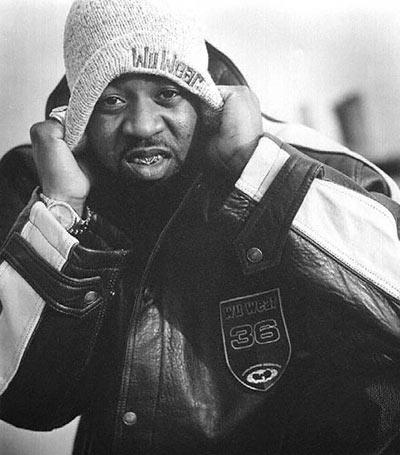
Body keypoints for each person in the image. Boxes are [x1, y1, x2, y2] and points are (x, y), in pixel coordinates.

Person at [1, 0, 400, 454]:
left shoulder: (312, 167)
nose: (142, 125)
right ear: (81, 112)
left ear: (202, 96)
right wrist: (62, 213)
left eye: (167, 93)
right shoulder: (39, 185)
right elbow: (27, 401)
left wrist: (260, 173)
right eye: (111, 100)